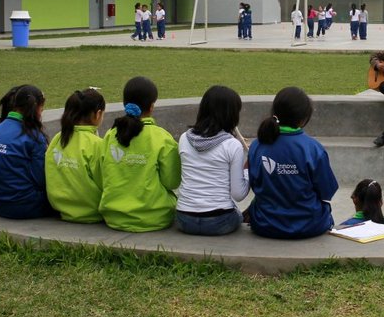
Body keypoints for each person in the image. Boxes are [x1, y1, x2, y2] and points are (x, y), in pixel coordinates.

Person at [247, 86, 338, 239]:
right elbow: (327, 191)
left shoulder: (257, 145)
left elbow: (255, 184)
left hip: (264, 224)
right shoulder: (313, 148)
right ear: (303, 117)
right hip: (310, 225)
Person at [99, 77, 181, 232]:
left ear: (124, 104)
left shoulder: (110, 135)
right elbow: (172, 181)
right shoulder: (162, 137)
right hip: (155, 217)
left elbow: (103, 174)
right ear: (151, 107)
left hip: (114, 216)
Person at [177, 85, 250, 236]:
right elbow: (238, 194)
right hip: (219, 222)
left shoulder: (184, 138)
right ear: (232, 115)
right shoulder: (232, 145)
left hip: (184, 219)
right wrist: (247, 170)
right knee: (240, 213)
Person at [0, 85, 52, 219]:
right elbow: (41, 179)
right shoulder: (33, 137)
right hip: (23, 205)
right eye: (42, 110)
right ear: (37, 108)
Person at [44, 88, 106, 223]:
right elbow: (107, 183)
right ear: (98, 114)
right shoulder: (98, 144)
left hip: (61, 210)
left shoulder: (58, 138)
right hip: (93, 212)